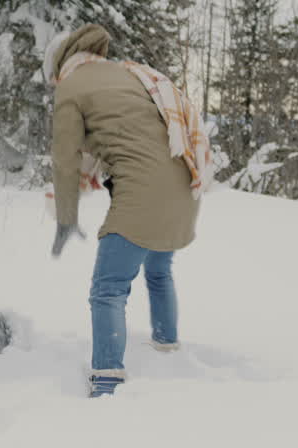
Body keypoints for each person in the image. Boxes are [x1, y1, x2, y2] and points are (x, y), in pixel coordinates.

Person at [45, 24, 213, 397]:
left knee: (108, 289)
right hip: (184, 184)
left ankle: (106, 379)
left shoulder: (71, 88)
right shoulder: (124, 72)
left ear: (58, 69)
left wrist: (66, 217)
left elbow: (65, 160)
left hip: (143, 193)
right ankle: (166, 349)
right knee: (158, 269)